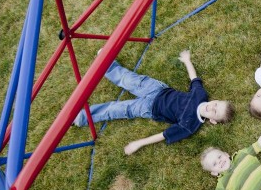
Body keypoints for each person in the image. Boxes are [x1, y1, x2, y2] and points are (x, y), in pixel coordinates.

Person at [73, 50, 235, 155]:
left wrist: (139, 143)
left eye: (214, 111)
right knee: (128, 79)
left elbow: (164, 135)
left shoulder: (190, 125)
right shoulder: (201, 96)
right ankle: (107, 64)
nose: (212, 107)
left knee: (119, 109)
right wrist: (187, 61)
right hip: (156, 89)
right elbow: (194, 79)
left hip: (149, 108)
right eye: (216, 103)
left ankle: (84, 117)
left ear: (212, 121)